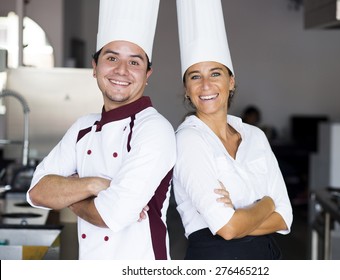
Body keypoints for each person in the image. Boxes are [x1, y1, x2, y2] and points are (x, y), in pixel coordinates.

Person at [26, 0, 176, 260]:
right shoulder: (83, 127)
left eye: (134, 62)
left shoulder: (154, 130)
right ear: (94, 67)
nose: (121, 70)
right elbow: (37, 192)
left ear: (148, 73)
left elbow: (110, 215)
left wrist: (69, 192)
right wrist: (96, 184)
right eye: (112, 58)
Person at [173, 0, 293, 260]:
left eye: (215, 74)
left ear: (231, 81)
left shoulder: (255, 136)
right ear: (186, 89)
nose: (206, 85)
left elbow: (285, 218)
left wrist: (242, 219)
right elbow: (227, 229)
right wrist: (268, 203)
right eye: (195, 76)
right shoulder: (189, 141)